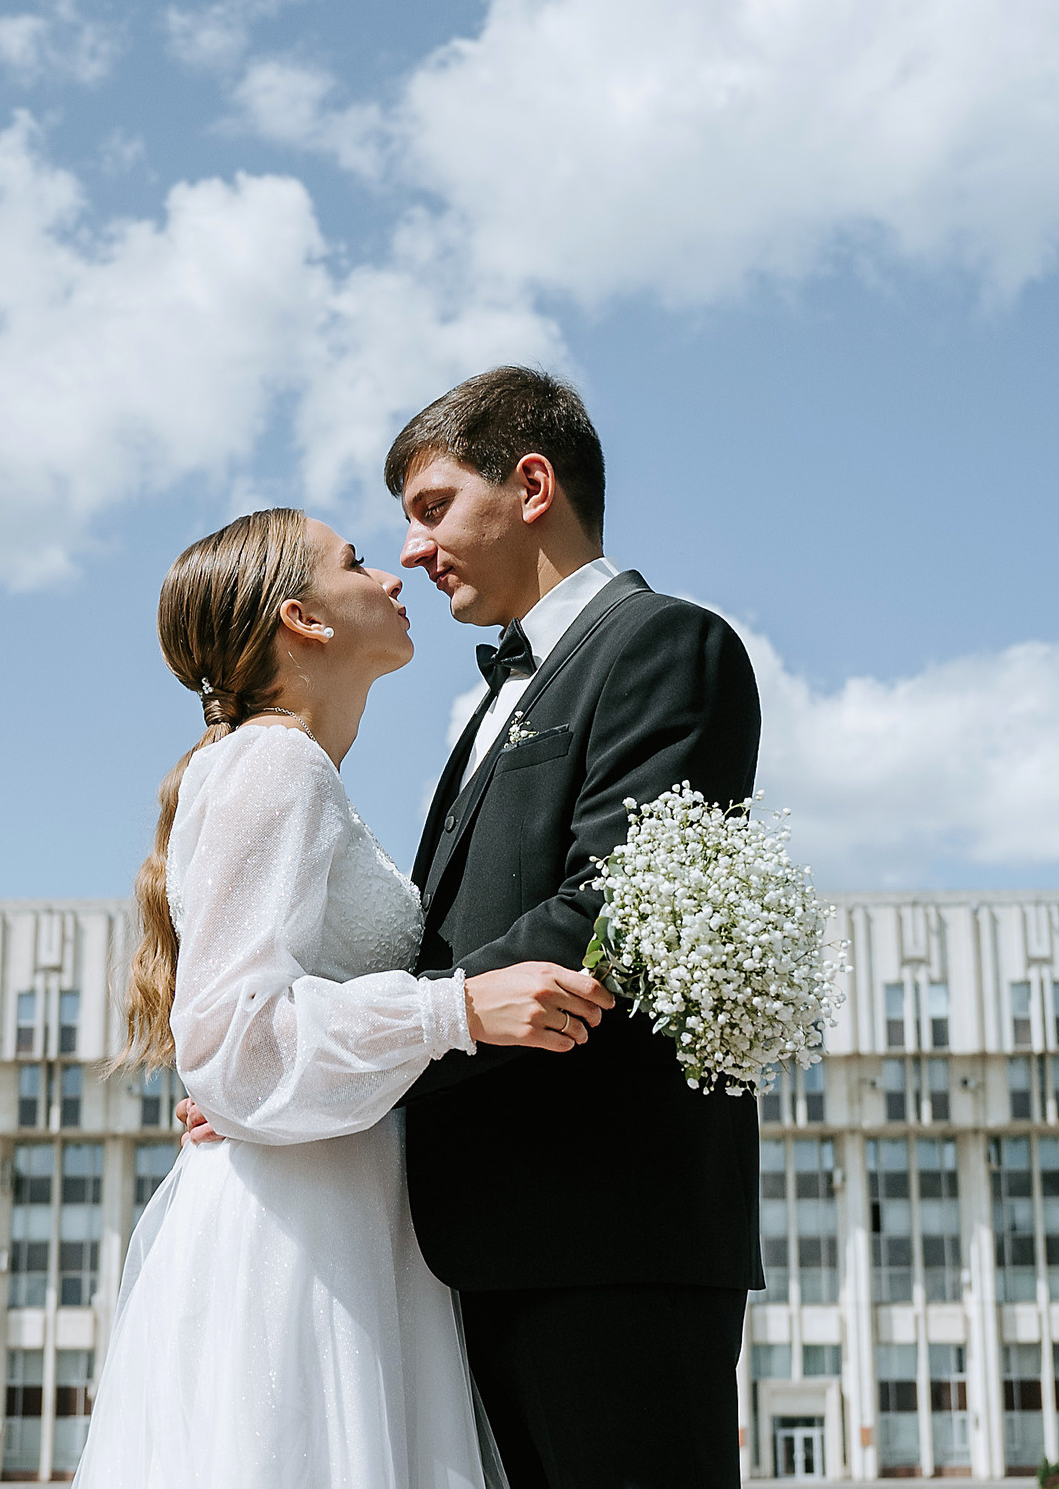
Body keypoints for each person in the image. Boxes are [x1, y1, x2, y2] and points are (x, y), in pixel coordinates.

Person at [78, 505, 617, 1488]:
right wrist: (454, 1009)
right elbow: (237, 1041)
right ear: (304, 618)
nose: (393, 575)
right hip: (299, 1236)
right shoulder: (275, 762)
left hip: (337, 1207)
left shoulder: (290, 772)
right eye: (357, 561)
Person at [388, 367, 763, 1488]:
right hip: (489, 1232)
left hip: (610, 1229)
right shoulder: (496, 695)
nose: (412, 549)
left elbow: (611, 908)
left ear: (532, 482)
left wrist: (373, 1043)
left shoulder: (667, 644)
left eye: (432, 505)